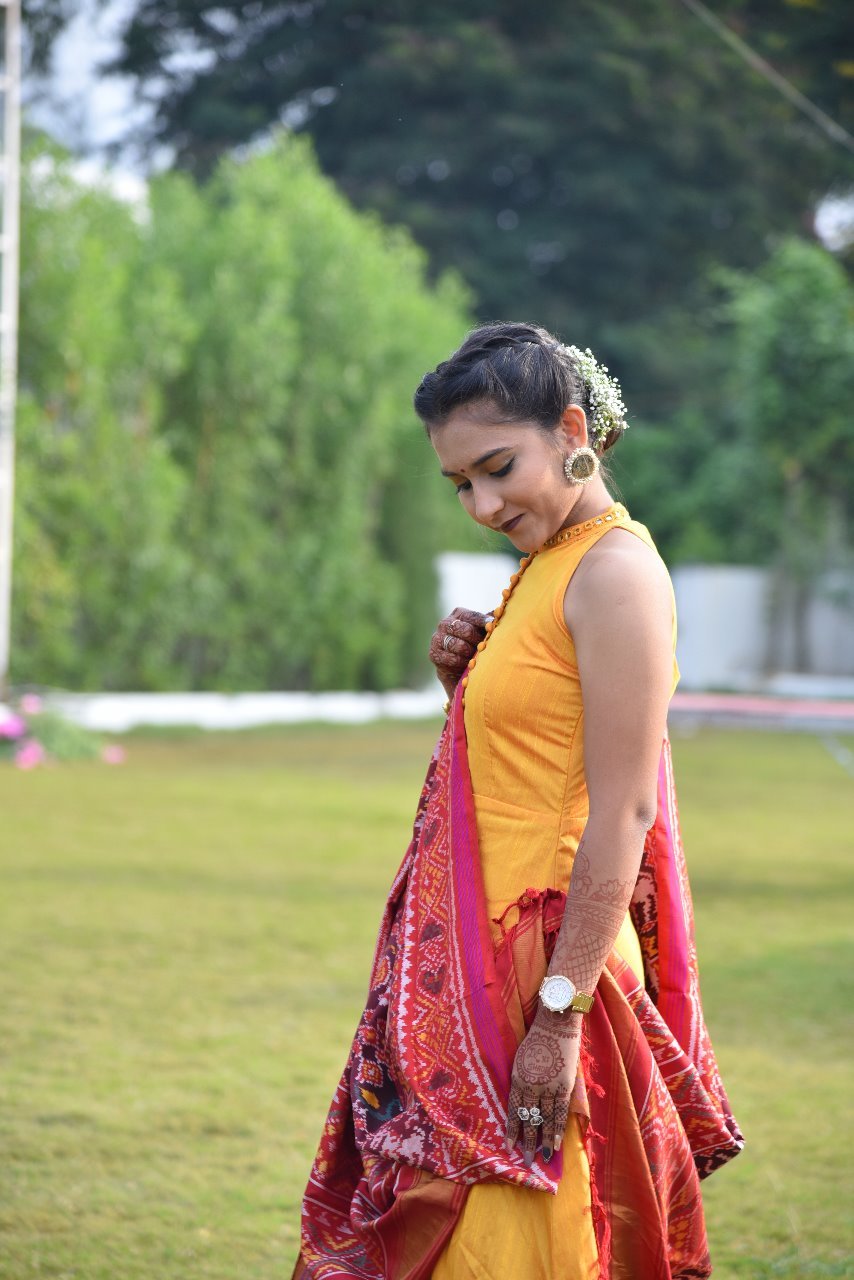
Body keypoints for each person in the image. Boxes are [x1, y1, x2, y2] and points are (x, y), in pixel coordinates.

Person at [292, 323, 743, 1280]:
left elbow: (623, 813)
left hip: (549, 970)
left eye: (498, 468)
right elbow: (528, 760)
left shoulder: (614, 574)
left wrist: (558, 1017)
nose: (483, 505)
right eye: (460, 484)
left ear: (573, 430)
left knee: (516, 1241)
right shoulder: (548, 566)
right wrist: (464, 679)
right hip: (482, 962)